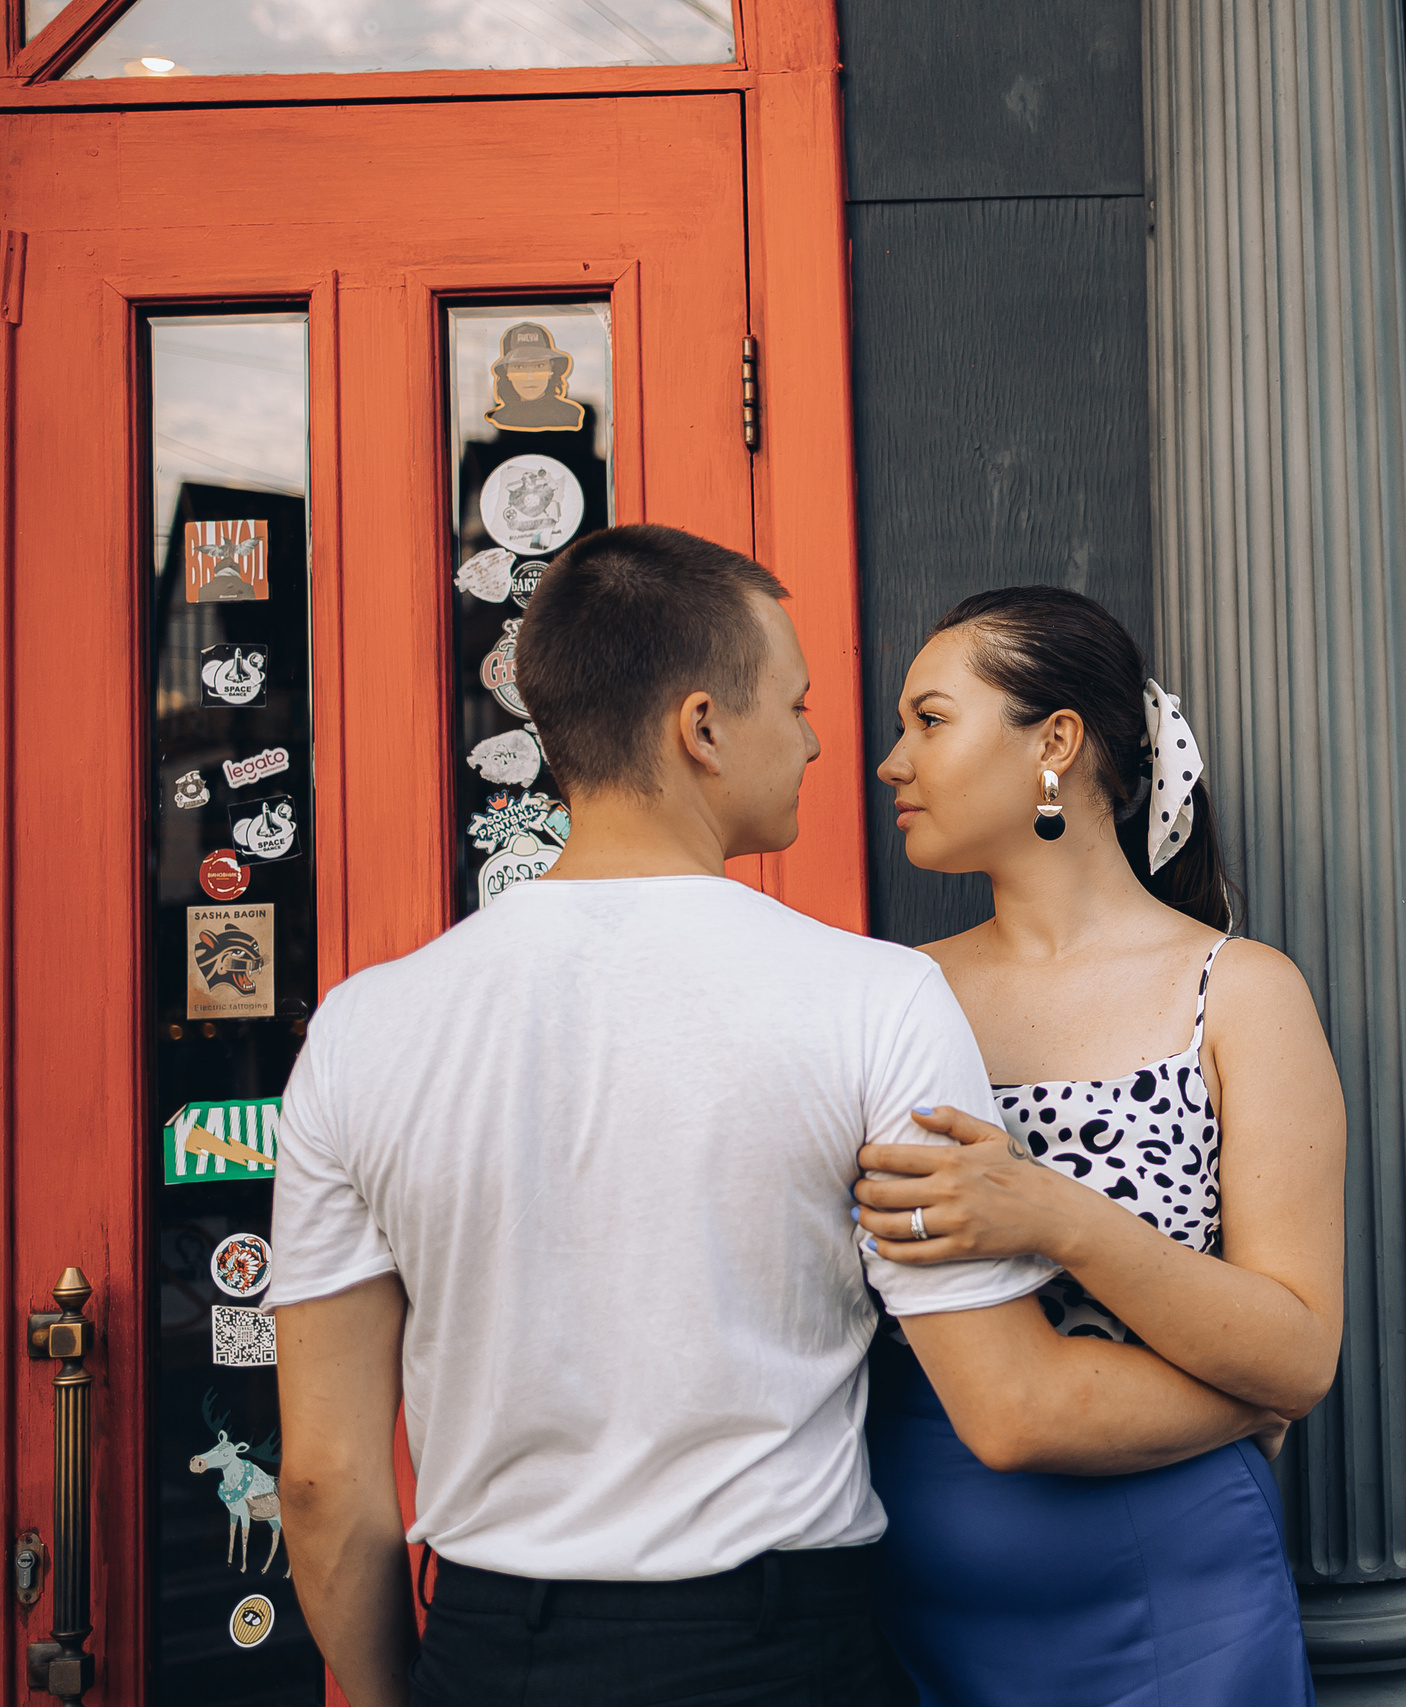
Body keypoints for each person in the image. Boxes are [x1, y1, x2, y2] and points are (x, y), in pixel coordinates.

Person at [270, 528, 1283, 1707]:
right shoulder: (875, 997)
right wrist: (1260, 1388)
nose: (818, 742)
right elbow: (1012, 1404)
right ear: (702, 728)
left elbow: (325, 1486)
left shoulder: (361, 1027)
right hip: (777, 1648)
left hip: (498, 1640)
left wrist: (410, 1693)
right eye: (795, 704)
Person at [860, 586, 1348, 1706]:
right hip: (911, 1577)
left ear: (1056, 743)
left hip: (1176, 1588)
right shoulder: (891, 996)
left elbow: (1298, 1348)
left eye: (928, 721)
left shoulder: (1235, 993)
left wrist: (1053, 1215)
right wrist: (1246, 1398)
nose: (892, 761)